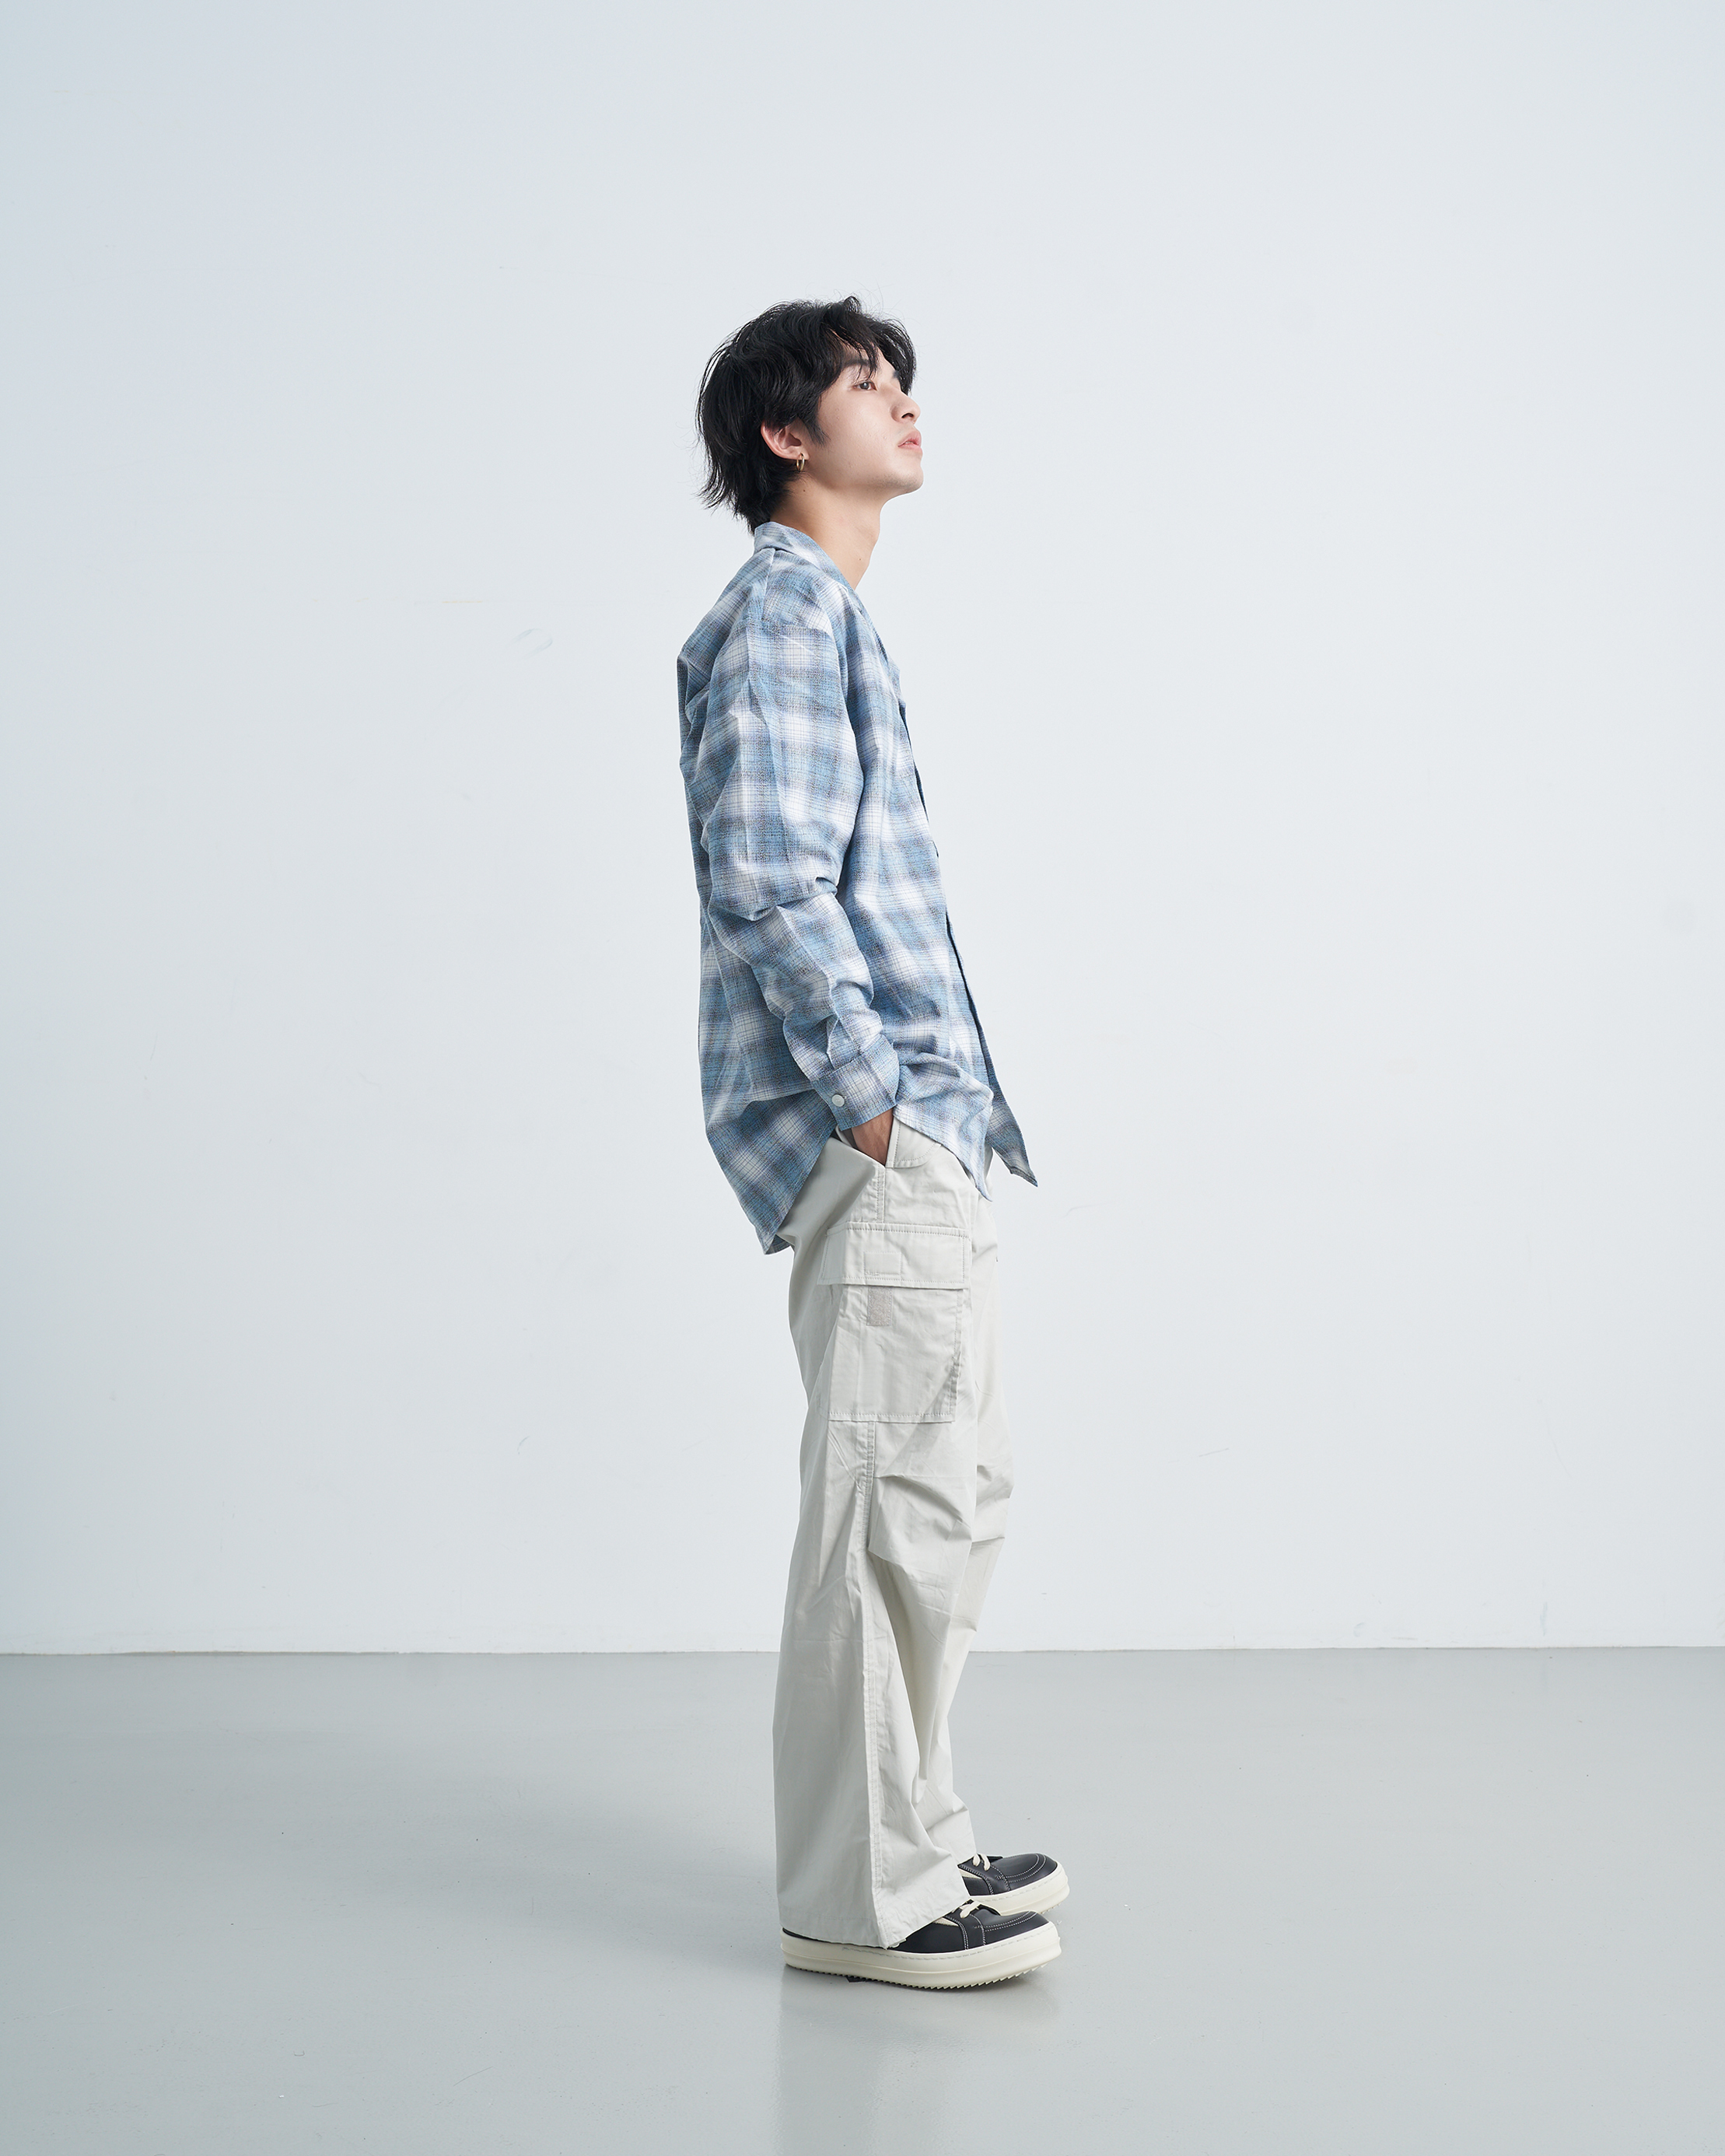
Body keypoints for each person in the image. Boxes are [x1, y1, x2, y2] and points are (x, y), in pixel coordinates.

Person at [677, 299, 1066, 1990]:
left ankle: (909, 1832)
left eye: (903, 381)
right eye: (863, 383)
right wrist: (870, 1098)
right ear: (785, 434)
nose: (902, 405)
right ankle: (861, 1901)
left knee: (949, 1495)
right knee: (883, 1507)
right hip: (882, 1128)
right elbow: (768, 878)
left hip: (926, 1127)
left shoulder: (826, 613)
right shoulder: (780, 614)